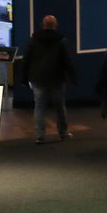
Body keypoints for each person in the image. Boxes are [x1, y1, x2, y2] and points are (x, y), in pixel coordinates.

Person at [22, 14, 74, 143]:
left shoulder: (33, 40)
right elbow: (66, 60)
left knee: (39, 107)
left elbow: (26, 60)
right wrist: (73, 76)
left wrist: (24, 78)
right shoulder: (60, 40)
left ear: (43, 25)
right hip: (57, 78)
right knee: (60, 107)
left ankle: (40, 136)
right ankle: (63, 133)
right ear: (55, 25)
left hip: (38, 78)